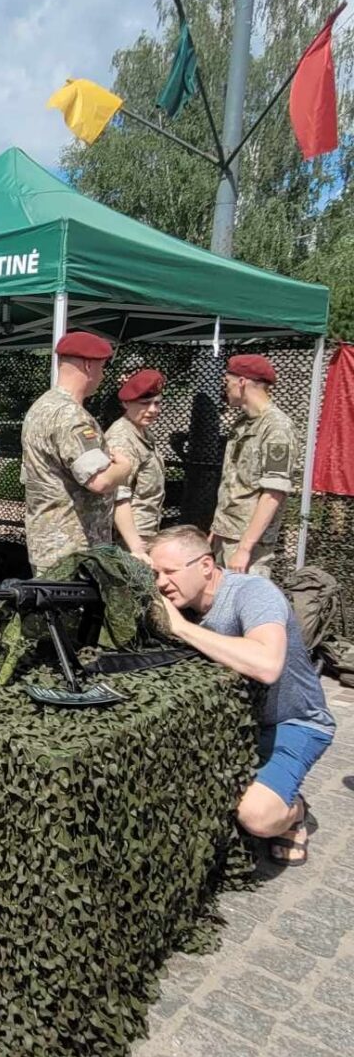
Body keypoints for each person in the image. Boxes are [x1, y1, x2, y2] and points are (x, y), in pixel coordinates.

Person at [150, 525, 335, 864]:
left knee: (256, 816)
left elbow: (267, 665)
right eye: (155, 573)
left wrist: (181, 628)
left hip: (292, 722)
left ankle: (294, 813)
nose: (161, 583)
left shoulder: (253, 593)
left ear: (206, 565)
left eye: (170, 572)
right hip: (235, 721)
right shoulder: (182, 602)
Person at [19, 330, 133, 574]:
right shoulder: (71, 416)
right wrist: (124, 467)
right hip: (76, 553)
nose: (103, 375)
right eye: (102, 368)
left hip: (49, 547)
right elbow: (99, 480)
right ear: (89, 366)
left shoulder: (41, 408)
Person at [212, 353, 297, 577]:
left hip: (248, 544)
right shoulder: (242, 424)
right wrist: (217, 531)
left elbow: (273, 493)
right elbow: (235, 484)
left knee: (246, 605)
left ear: (242, 382)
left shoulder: (277, 428)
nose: (225, 389)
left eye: (227, 382)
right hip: (226, 536)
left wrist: (245, 548)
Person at [105, 369, 166, 562]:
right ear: (125, 403)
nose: (152, 410)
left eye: (157, 403)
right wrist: (136, 547)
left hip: (146, 532)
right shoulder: (122, 438)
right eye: (145, 404)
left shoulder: (143, 433)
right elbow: (117, 495)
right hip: (128, 538)